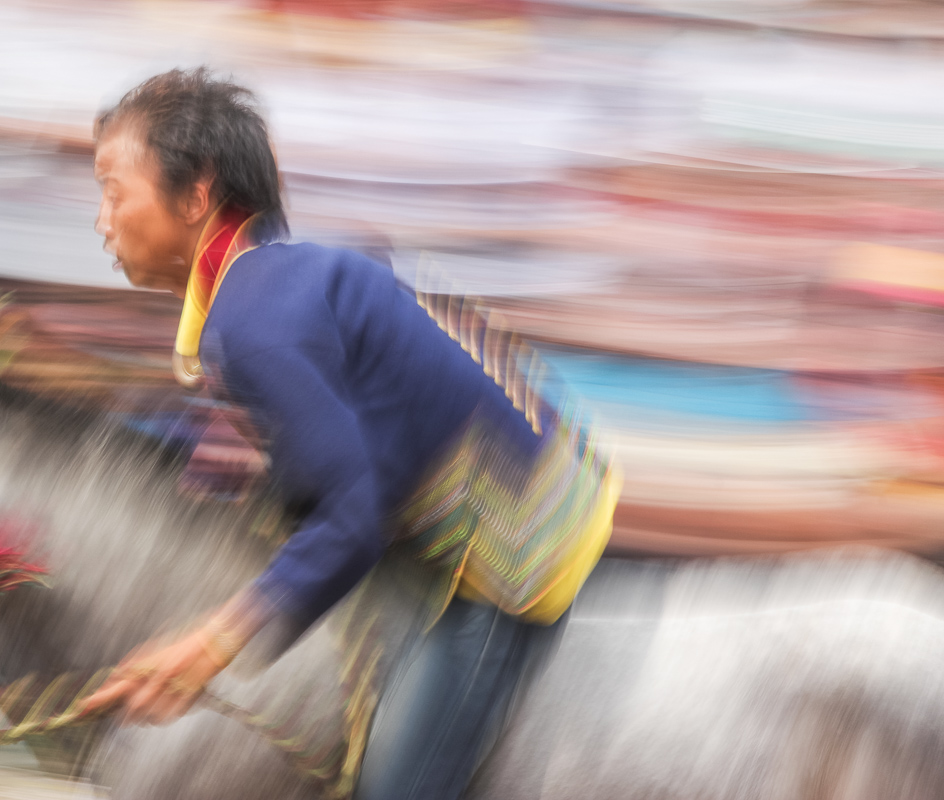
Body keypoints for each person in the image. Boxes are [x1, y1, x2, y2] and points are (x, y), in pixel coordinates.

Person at [81, 67, 619, 800]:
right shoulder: (270, 280)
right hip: (483, 492)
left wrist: (210, 645)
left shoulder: (253, 324)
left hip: (511, 550)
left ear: (198, 195)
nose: (101, 219)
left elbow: (352, 520)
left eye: (114, 191)